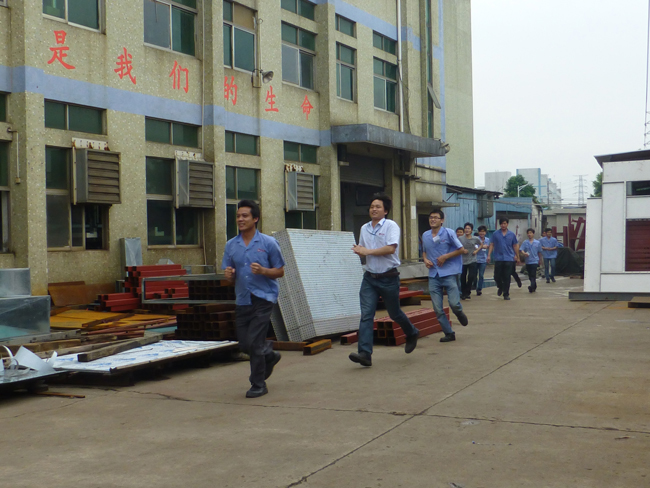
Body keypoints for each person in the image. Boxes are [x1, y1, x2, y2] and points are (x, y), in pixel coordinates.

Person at [222, 200, 285, 399]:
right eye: (238, 216)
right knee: (244, 344)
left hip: (263, 298)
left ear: (255, 218)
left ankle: (258, 384)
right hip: (242, 299)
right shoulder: (231, 245)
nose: (240, 219)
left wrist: (264, 271)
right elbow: (230, 277)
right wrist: (229, 276)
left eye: (245, 216)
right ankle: (270, 355)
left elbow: (280, 271)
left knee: (255, 341)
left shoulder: (268, 243)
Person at [349, 193, 419, 367]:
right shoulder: (364, 228)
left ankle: (411, 332)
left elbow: (390, 248)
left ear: (385, 210)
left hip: (389, 277)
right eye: (372, 206)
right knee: (366, 315)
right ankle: (365, 353)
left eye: (378, 207)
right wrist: (359, 250)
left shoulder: (391, 226)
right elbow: (363, 249)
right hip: (369, 278)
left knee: (394, 313)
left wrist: (367, 252)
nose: (374, 209)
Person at [421, 208, 468, 343]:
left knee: (454, 303)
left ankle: (459, 313)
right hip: (433, 274)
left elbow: (460, 249)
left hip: (448, 273)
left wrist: (445, 257)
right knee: (437, 308)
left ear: (442, 220)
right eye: (431, 217)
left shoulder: (449, 233)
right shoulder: (425, 235)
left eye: (436, 217)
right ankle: (449, 333)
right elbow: (424, 251)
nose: (433, 220)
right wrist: (425, 260)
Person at [487, 218, 520, 300]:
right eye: (501, 224)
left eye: (504, 223)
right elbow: (492, 244)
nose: (503, 225)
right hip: (498, 258)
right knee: (496, 276)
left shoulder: (511, 234)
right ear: (500, 224)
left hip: (509, 258)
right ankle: (500, 286)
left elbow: (515, 245)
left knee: (507, 276)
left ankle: (506, 293)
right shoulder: (495, 234)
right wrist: (489, 255)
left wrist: (517, 256)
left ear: (507, 224)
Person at [458, 222, 481, 300]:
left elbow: (481, 244)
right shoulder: (460, 238)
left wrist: (476, 251)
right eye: (466, 228)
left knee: (471, 276)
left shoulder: (475, 238)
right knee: (463, 277)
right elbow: (456, 246)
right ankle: (463, 293)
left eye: (469, 228)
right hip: (463, 261)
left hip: (472, 260)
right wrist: (462, 250)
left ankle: (468, 291)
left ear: (471, 230)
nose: (467, 230)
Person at [520, 228, 543, 293]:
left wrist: (540, 260)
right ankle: (534, 286)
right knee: (530, 275)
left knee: (533, 274)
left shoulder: (537, 242)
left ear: (533, 234)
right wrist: (524, 253)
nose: (529, 234)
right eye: (528, 233)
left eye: (530, 233)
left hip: (535, 260)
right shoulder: (525, 242)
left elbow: (539, 252)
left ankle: (531, 287)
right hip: (528, 261)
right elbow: (521, 249)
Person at [475, 225, 490, 296]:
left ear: (485, 232)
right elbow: (475, 248)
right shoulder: (476, 239)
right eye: (480, 232)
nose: (482, 233)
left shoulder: (487, 240)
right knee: (474, 275)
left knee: (481, 275)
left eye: (483, 232)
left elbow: (489, 247)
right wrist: (483, 246)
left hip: (483, 260)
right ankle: (474, 286)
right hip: (475, 259)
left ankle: (479, 289)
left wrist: (481, 247)